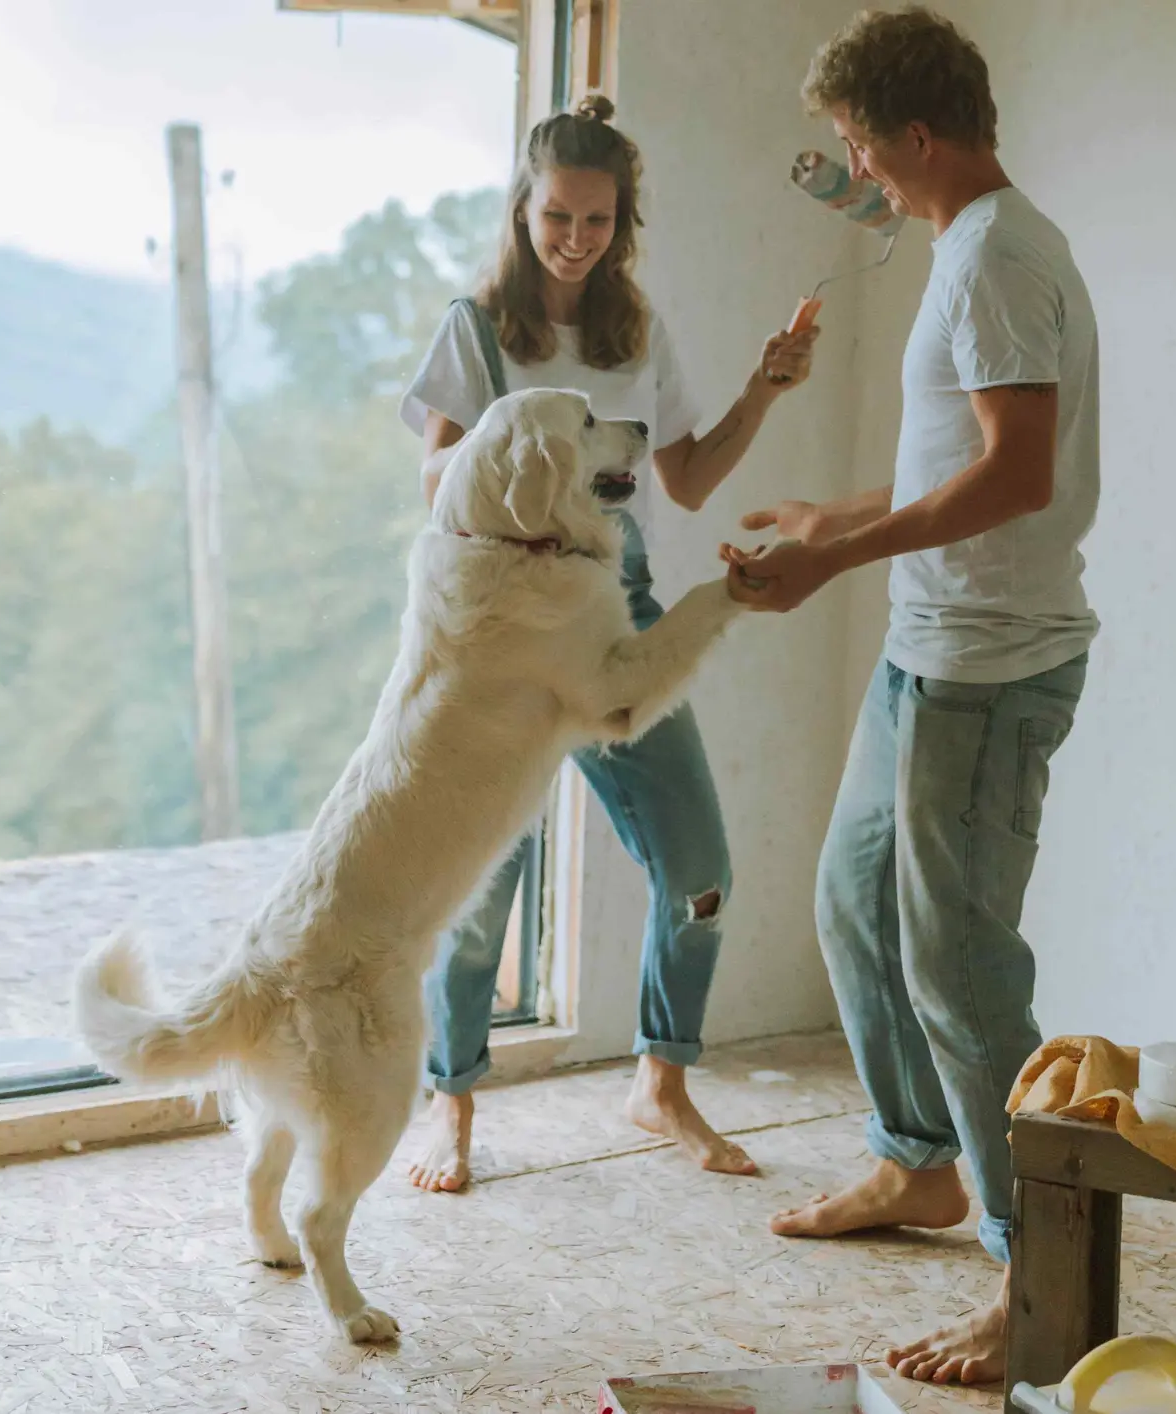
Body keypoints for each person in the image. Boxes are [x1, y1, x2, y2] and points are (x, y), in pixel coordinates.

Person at [722, 7, 1101, 1387]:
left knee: (962, 970)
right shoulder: (970, 245)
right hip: (927, 649)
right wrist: (838, 515)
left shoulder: (997, 254)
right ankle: (917, 1160)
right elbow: (963, 458)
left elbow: (1019, 475)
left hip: (987, 669)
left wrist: (832, 562)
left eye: (859, 144)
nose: (857, 168)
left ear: (918, 134)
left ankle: (1039, 1273)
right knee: (850, 898)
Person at [398, 95, 820, 1194]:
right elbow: (435, 482)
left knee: (700, 872)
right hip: (502, 625)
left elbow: (688, 480)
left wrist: (764, 391)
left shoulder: (636, 331)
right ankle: (451, 1102)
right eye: (557, 217)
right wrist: (517, 447)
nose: (576, 238)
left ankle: (660, 1084)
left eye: (597, 219)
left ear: (620, 221)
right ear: (523, 210)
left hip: (615, 610)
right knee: (478, 888)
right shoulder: (475, 328)